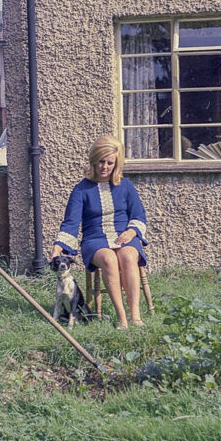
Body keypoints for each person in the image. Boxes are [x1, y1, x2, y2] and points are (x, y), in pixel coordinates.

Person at [50, 135, 148, 329]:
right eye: (101, 161)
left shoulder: (126, 185)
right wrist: (57, 247)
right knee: (110, 259)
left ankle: (135, 316)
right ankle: (122, 318)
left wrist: (132, 231)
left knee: (129, 256)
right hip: (95, 240)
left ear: (116, 164)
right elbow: (71, 222)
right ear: (93, 161)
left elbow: (139, 214)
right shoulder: (81, 190)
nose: (105, 167)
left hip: (123, 236)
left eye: (110, 162)